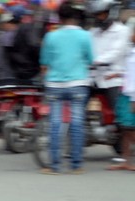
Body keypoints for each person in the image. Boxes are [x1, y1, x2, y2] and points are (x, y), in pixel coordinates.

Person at [39, 1, 94, 174]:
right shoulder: (85, 36)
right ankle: (76, 165)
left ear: (60, 18)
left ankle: (55, 165)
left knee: (55, 124)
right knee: (77, 124)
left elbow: (44, 62)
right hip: (78, 83)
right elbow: (91, 59)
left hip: (55, 84)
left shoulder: (51, 36)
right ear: (76, 17)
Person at [89, 0, 130, 121]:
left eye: (102, 14)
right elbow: (87, 48)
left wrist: (96, 61)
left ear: (111, 13)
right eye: (97, 14)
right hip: (93, 77)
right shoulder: (93, 32)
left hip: (113, 78)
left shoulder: (122, 30)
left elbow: (116, 52)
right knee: (78, 107)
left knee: (119, 114)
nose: (99, 17)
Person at [108, 28, 135, 171]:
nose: (131, 35)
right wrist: (117, 74)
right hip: (126, 93)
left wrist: (133, 100)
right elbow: (130, 72)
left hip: (132, 96)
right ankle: (126, 160)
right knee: (125, 129)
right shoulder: (132, 52)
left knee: (131, 130)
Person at [8, 7, 42, 82]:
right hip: (32, 71)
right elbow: (34, 45)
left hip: (18, 71)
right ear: (23, 17)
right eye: (29, 15)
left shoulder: (12, 32)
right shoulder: (28, 28)